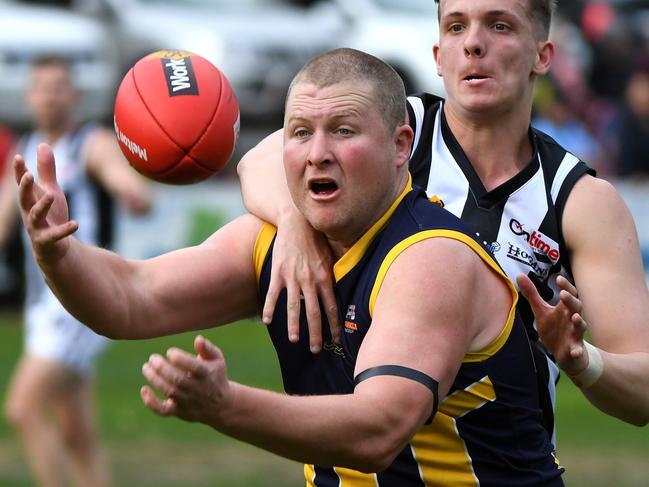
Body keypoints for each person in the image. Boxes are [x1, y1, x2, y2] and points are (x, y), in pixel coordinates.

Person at [14, 48, 565, 486]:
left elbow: (378, 429)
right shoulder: (276, 242)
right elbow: (131, 298)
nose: (316, 153)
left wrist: (225, 405)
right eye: (301, 132)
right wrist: (57, 254)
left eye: (343, 131)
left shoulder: (432, 258)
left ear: (401, 147)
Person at [236, 0, 649, 442]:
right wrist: (293, 223)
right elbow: (260, 160)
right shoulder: (391, 129)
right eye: (456, 27)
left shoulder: (579, 200)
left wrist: (581, 361)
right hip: (365, 451)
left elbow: (643, 392)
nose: (473, 43)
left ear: (543, 56)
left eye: (499, 25)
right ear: (437, 55)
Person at [1, 55, 151, 487]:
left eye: (58, 86)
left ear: (75, 95)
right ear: (29, 96)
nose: (49, 95)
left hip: (75, 300)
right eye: (41, 87)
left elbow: (125, 180)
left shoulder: (92, 142)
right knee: (76, 434)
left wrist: (132, 192)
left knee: (24, 409)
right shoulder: (23, 149)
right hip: (40, 304)